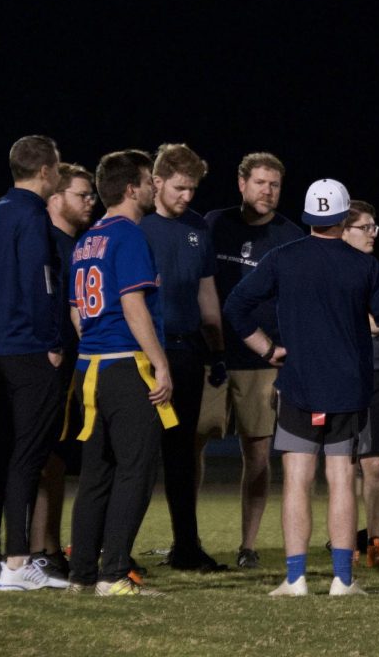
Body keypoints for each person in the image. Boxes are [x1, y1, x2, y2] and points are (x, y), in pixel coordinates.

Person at [225, 179, 379, 596]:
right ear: (344, 216)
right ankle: (342, 579)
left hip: (299, 385)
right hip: (348, 388)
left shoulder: (282, 259)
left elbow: (236, 306)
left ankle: (296, 578)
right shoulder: (364, 265)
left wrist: (267, 349)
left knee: (297, 479)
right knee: (342, 477)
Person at [66, 149, 174, 597]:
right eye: (149, 180)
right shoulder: (129, 235)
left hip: (89, 366)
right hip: (126, 366)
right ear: (131, 188)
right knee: (136, 470)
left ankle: (82, 576)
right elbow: (132, 306)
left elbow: (77, 313)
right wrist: (161, 363)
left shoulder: (86, 239)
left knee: (96, 475)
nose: (153, 186)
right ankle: (113, 575)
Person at [0, 134, 69, 590]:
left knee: (2, 455)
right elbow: (41, 283)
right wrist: (52, 340)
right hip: (30, 349)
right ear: (46, 171)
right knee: (27, 457)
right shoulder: (32, 216)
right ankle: (16, 564)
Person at [202, 152, 304, 569]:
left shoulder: (291, 236)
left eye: (275, 184)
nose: (268, 190)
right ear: (241, 184)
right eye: (260, 182)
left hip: (264, 361)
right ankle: (186, 539)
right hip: (211, 357)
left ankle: (247, 544)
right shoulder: (212, 224)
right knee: (191, 445)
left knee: (257, 455)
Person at [141, 143, 227, 572]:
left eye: (193, 189)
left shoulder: (197, 227)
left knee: (181, 454)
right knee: (135, 453)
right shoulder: (134, 224)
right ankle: (110, 550)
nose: (187, 197)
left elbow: (206, 292)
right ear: (156, 182)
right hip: (141, 356)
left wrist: (218, 349)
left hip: (188, 353)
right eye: (179, 188)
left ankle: (186, 546)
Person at [28, 162, 96, 581]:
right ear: (55, 198)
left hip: (79, 366)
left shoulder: (85, 245)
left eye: (92, 194)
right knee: (41, 459)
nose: (90, 201)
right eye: (81, 194)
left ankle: (55, 549)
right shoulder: (45, 244)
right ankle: (36, 550)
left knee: (60, 462)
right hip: (47, 364)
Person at [341, 200, 379, 567]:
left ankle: (375, 540)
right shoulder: (325, 269)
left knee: (376, 464)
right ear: (343, 230)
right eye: (365, 227)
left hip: (378, 373)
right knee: (342, 465)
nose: (373, 234)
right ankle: (345, 542)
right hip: (338, 377)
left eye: (374, 227)